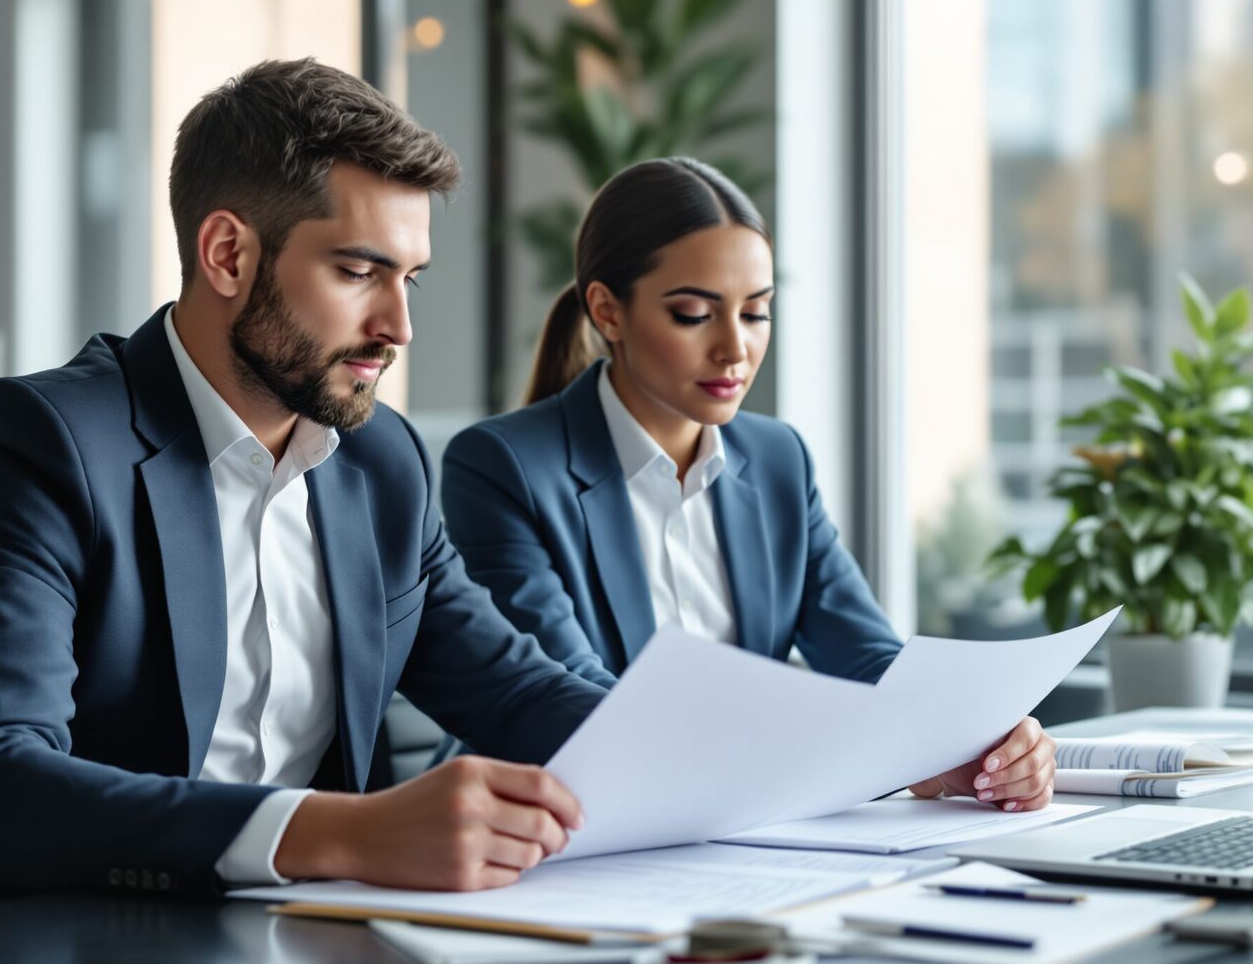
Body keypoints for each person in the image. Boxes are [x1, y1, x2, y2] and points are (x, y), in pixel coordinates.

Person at [0, 59, 607, 919]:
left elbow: (512, 688)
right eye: (359, 272)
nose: (397, 328)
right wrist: (345, 833)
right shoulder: (41, 442)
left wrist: (713, 756)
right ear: (227, 255)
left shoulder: (380, 462)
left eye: (410, 279)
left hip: (296, 960)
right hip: (35, 959)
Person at [441, 158, 1055, 812]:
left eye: (756, 313)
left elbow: (866, 654)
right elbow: (566, 696)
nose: (735, 349)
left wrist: (971, 742)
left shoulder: (777, 459)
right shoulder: (502, 465)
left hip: (732, 828)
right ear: (607, 312)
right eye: (693, 314)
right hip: (551, 825)